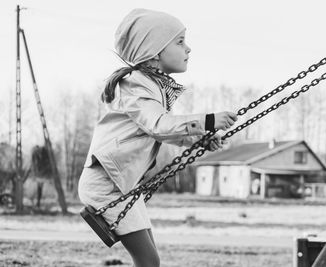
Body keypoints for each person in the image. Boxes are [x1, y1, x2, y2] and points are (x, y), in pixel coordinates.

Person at [78, 8, 237, 267]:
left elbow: (163, 131)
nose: (188, 49)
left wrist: (200, 140)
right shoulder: (135, 84)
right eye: (180, 41)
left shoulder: (151, 85)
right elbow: (159, 126)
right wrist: (207, 121)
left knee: (151, 261)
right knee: (148, 261)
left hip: (124, 183)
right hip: (106, 184)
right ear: (154, 51)